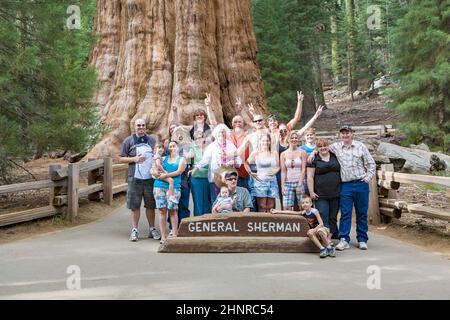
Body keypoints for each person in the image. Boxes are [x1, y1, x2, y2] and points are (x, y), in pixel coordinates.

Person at [327, 125, 376, 251]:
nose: (345, 135)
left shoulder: (360, 146)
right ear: (340, 135)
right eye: (342, 133)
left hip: (361, 184)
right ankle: (344, 239)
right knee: (345, 213)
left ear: (352, 134)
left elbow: (371, 164)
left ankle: (362, 239)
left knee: (361, 213)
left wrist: (367, 178)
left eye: (347, 133)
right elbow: (322, 148)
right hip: (346, 185)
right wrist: (314, 153)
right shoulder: (336, 147)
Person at [118, 118, 161, 241]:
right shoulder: (129, 141)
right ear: (134, 127)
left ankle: (152, 229)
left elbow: (158, 154)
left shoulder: (151, 140)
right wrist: (134, 159)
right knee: (135, 205)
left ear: (145, 127)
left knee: (150, 205)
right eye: (138, 125)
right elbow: (121, 158)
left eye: (143, 125)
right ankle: (135, 230)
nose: (141, 127)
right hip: (135, 178)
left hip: (150, 178)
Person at [189, 124, 241, 203]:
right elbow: (205, 160)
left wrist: (233, 161)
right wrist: (196, 168)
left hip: (228, 179)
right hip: (215, 178)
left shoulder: (231, 145)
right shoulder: (212, 146)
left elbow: (239, 159)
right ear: (216, 134)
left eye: (223, 132)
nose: (221, 134)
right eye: (219, 132)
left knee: (229, 201)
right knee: (216, 201)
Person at [307, 138, 341, 240]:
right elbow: (310, 177)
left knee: (333, 216)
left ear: (328, 146)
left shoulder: (335, 155)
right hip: (320, 194)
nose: (323, 148)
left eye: (325, 145)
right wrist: (311, 192)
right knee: (323, 215)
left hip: (336, 192)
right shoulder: (313, 159)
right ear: (317, 148)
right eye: (320, 146)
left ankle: (331, 235)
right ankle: (326, 237)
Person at [153, 141, 186, 244]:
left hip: (174, 187)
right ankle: (163, 236)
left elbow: (179, 172)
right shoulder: (163, 159)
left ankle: (174, 235)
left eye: (174, 146)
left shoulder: (181, 159)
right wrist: (155, 173)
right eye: (170, 146)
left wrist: (165, 176)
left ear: (177, 147)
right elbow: (154, 170)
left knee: (173, 210)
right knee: (162, 211)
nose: (171, 148)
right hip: (159, 186)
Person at [245, 134, 280, 212]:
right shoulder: (256, 153)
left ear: (270, 142)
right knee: (262, 206)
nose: (265, 142)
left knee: (271, 206)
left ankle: (271, 223)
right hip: (261, 182)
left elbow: (278, 166)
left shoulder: (274, 153)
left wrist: (276, 170)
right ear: (260, 142)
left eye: (267, 140)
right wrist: (250, 172)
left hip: (272, 182)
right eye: (263, 141)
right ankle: (262, 222)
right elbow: (246, 163)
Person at [280, 130, 306, 211]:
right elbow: (283, 171)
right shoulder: (283, 154)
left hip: (299, 182)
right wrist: (282, 185)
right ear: (288, 139)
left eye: (296, 138)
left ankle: (302, 223)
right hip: (288, 183)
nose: (294, 139)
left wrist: (299, 185)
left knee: (302, 206)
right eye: (292, 138)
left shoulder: (302, 152)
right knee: (286, 207)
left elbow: (303, 169)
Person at [187, 131, 211, 216]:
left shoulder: (209, 148)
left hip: (208, 178)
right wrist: (189, 154)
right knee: (198, 201)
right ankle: (198, 221)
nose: (198, 140)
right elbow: (189, 157)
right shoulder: (193, 149)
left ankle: (208, 221)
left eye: (200, 137)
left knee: (208, 201)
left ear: (203, 138)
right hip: (196, 178)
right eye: (196, 138)